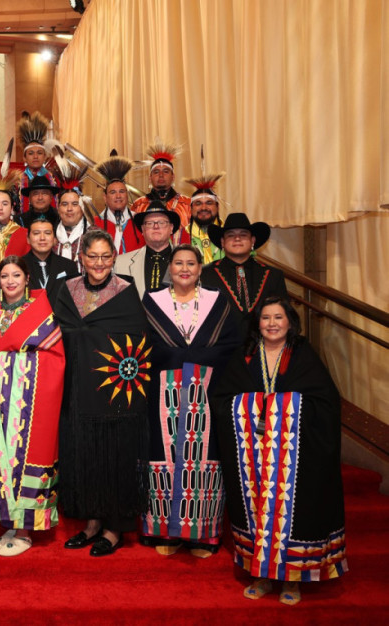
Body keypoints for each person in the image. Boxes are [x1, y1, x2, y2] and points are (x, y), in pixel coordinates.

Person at [213, 297, 348, 605]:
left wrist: (279, 408)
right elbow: (222, 399)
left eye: (278, 317)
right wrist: (253, 407)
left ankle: (293, 579)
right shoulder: (244, 356)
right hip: (253, 458)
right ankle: (261, 575)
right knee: (258, 516)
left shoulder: (304, 356)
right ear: (257, 324)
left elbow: (326, 403)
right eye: (265, 318)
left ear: (290, 322)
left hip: (295, 459)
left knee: (293, 515)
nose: (272, 323)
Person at [53, 229, 150, 557]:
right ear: (81, 258)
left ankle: (114, 529)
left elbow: (138, 341)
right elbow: (56, 333)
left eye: (105, 257)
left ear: (114, 258)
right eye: (91, 256)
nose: (98, 263)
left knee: (113, 458)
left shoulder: (126, 291)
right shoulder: (66, 290)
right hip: (76, 392)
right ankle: (92, 523)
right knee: (84, 457)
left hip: (114, 396)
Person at [139, 244, 240, 558]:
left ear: (200, 269)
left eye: (191, 264)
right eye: (178, 263)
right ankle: (164, 532)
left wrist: (196, 359)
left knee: (204, 460)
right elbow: (141, 343)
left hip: (206, 393)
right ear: (169, 267)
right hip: (161, 394)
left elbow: (232, 345)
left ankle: (202, 535)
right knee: (163, 459)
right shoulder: (151, 301)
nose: (184, 269)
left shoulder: (218, 302)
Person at [0, 257, 65, 556]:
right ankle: (8, 523)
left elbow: (54, 357)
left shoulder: (40, 312)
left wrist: (5, 362)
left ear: (27, 279)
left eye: (16, 275)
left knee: (24, 457)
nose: (10, 281)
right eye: (4, 276)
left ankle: (25, 528)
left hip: (29, 402)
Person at [201, 213, 288, 335]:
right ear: (222, 242)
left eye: (243, 235)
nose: (237, 239)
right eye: (231, 235)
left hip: (263, 348)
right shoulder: (205, 274)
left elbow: (284, 316)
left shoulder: (273, 275)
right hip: (220, 349)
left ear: (252, 241)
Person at [113, 200, 182, 299]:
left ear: (171, 228)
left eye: (162, 222)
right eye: (149, 223)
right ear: (142, 229)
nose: (156, 226)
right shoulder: (122, 263)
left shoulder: (188, 262)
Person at [131, 141, 192, 232]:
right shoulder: (138, 204)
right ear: (150, 178)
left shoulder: (187, 204)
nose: (161, 175)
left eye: (166, 171)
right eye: (156, 172)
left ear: (173, 177)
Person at [93, 155, 145, 254]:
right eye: (113, 192)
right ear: (105, 197)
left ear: (127, 195)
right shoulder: (96, 224)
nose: (118, 196)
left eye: (122, 191)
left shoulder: (140, 221)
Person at [21, 216, 78, 304]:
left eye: (47, 233)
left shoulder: (68, 266)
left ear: (55, 239)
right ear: (28, 239)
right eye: (36, 233)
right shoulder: (18, 266)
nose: (42, 238)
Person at [16, 111, 60, 208]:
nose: (35, 156)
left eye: (39, 153)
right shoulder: (16, 183)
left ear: (45, 156)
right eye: (31, 153)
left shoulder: (55, 179)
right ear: (24, 158)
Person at [182, 173, 225, 264]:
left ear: (217, 207)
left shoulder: (230, 235)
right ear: (191, 209)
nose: (204, 208)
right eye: (198, 203)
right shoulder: (179, 237)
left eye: (209, 203)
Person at [54, 187, 93, 266]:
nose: (69, 209)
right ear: (58, 208)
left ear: (82, 208)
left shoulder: (95, 235)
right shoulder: (49, 235)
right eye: (64, 204)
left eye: (75, 204)